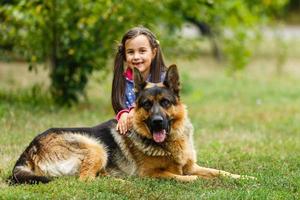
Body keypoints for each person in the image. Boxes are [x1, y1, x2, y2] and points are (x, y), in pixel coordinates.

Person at [111, 26, 167, 135]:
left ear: (153, 52)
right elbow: (119, 104)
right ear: (124, 56)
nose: (136, 57)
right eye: (131, 52)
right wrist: (122, 114)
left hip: (157, 124)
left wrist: (134, 110)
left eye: (142, 51)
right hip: (130, 128)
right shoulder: (122, 80)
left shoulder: (162, 79)